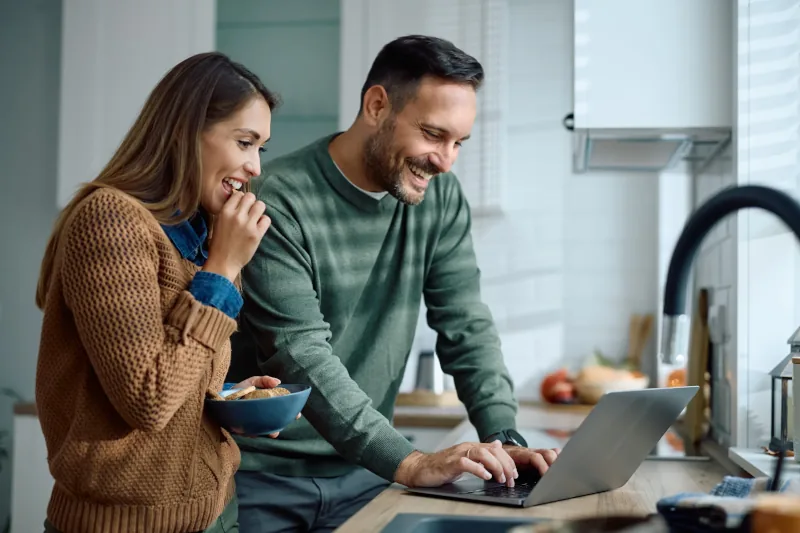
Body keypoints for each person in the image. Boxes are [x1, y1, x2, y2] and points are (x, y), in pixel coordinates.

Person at [227, 35, 560, 532]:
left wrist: (506, 437)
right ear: (377, 105)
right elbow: (300, 353)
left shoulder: (440, 199)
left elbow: (465, 324)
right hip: (263, 479)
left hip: (367, 475)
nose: (446, 161)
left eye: (458, 143)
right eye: (433, 134)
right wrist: (408, 463)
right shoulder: (277, 199)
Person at [34, 52, 289, 533]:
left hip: (215, 515)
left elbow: (175, 375)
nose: (255, 166)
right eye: (244, 142)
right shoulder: (108, 221)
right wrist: (223, 267)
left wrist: (228, 397)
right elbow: (149, 400)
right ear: (185, 131)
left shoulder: (202, 237)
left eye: (262, 149)